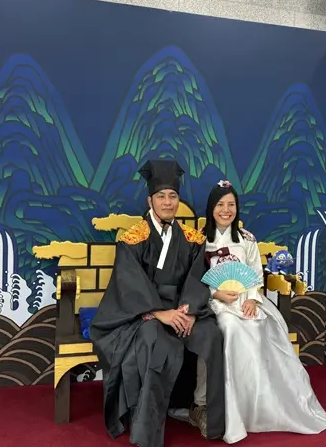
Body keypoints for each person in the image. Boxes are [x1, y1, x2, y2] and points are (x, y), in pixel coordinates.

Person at [91, 159, 225, 447]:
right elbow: (129, 284)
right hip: (144, 312)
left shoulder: (191, 239)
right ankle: (147, 424)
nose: (167, 202)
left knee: (210, 333)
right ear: (149, 199)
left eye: (173, 196)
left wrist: (188, 310)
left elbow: (197, 277)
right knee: (154, 338)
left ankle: (201, 408)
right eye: (161, 196)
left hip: (183, 308)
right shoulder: (132, 239)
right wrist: (158, 312)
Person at [201, 180, 326, 445]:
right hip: (216, 303)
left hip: (245, 300)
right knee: (229, 327)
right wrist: (215, 294)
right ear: (211, 208)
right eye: (220, 205)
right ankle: (231, 410)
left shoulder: (247, 239)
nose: (226, 210)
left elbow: (255, 274)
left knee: (255, 326)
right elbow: (195, 279)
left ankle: (258, 405)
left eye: (231, 205)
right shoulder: (201, 240)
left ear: (237, 208)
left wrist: (251, 299)